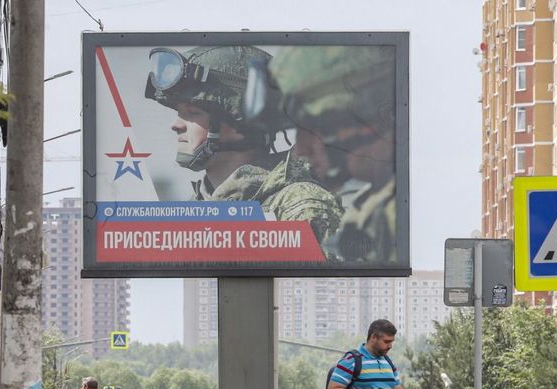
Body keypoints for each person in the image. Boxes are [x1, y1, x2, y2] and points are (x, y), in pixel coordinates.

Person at [144, 45, 344, 250]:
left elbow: (318, 283)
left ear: (239, 125)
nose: (176, 125)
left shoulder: (298, 205)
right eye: (180, 113)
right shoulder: (193, 211)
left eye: (193, 113)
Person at [247, 45, 398, 262]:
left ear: (367, 111)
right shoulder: (374, 206)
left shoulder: (409, 209)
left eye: (314, 128)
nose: (301, 149)